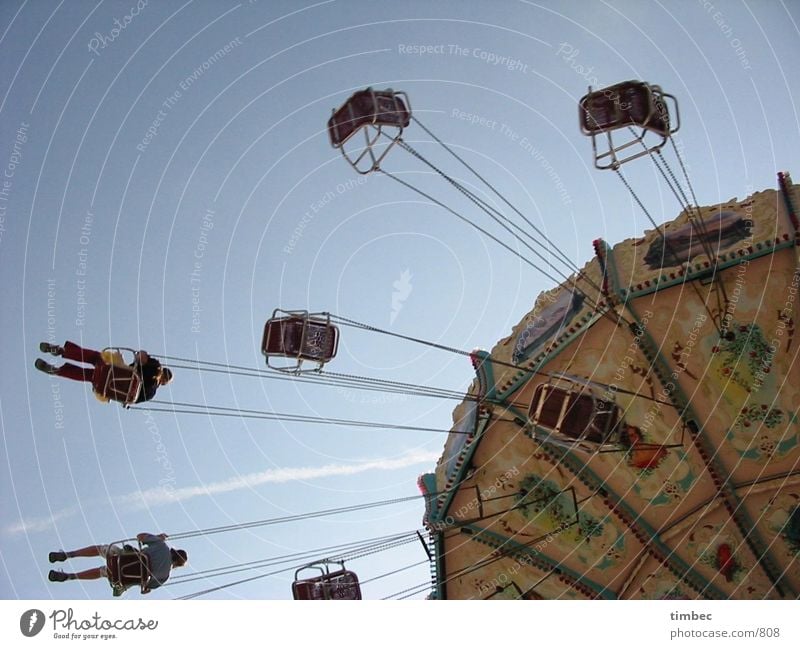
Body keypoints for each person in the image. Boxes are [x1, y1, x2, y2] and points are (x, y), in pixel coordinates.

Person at [48, 533, 187, 595]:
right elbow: (146, 588)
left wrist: (158, 537)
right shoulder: (165, 576)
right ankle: (69, 576)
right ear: (177, 564)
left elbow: (140, 536)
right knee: (103, 571)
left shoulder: (162, 546)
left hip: (124, 559)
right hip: (124, 578)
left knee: (102, 549)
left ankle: (68, 555)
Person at [35, 341, 172, 403]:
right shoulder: (151, 394)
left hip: (112, 371)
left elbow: (141, 357)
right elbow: (129, 401)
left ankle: (61, 351)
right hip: (106, 388)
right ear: (163, 384)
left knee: (95, 358)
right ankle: (57, 371)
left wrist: (139, 355)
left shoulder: (156, 367)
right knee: (89, 376)